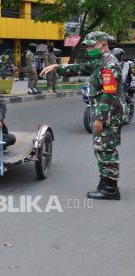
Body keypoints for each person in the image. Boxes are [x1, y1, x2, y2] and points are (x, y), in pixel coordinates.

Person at [41, 31, 126, 200]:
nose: (88, 49)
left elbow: (110, 94)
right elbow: (80, 67)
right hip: (105, 113)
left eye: (91, 46)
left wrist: (99, 119)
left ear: (103, 44)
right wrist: (57, 67)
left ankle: (110, 189)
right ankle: (106, 182)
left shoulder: (109, 65)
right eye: (86, 46)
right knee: (102, 149)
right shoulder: (100, 61)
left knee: (106, 149)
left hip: (107, 115)